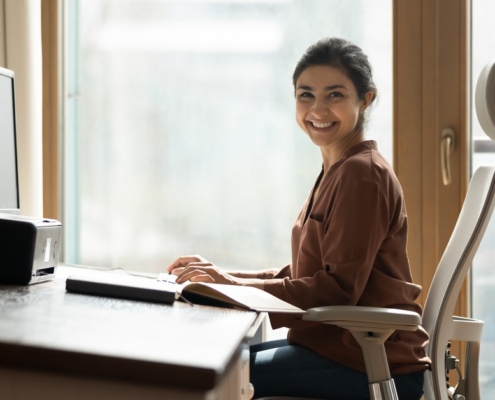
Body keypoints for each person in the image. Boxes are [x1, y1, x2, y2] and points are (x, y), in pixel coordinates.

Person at [166, 37, 431, 400]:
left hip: (370, 365)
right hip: (336, 353)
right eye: (306, 95)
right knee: (204, 361)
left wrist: (230, 287)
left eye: (335, 95)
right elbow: (305, 276)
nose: (317, 109)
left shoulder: (362, 175)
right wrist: (221, 280)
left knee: (201, 376)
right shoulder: (337, 169)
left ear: (365, 99)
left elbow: (335, 289)